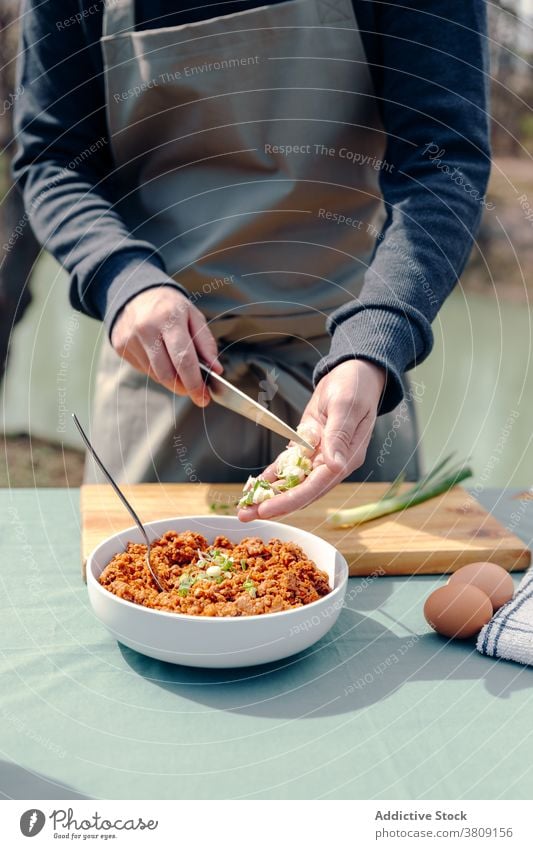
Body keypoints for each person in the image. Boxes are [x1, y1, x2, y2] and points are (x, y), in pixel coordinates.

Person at [13, 0, 490, 519]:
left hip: (354, 378)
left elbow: (444, 160)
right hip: (164, 371)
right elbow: (52, 157)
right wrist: (120, 276)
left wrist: (377, 337)